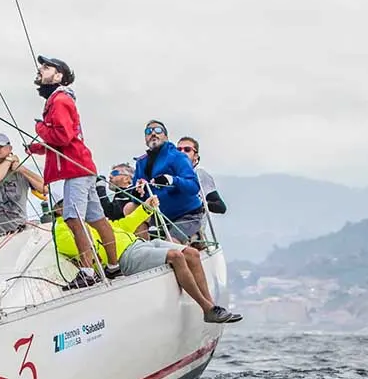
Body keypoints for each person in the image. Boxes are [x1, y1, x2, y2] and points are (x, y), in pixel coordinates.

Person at [52, 197, 241, 323]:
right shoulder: (62, 230)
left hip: (139, 244)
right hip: (125, 256)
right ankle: (206, 308)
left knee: (192, 253)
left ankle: (212, 306)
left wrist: (146, 207)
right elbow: (84, 247)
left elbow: (123, 225)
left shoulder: (90, 222)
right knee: (176, 256)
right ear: (61, 211)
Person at [26, 55, 121, 285]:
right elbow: (64, 140)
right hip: (82, 167)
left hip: (75, 171)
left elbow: (62, 135)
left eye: (47, 67)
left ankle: (88, 273)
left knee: (73, 218)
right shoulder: (61, 100)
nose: (41, 70)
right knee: (96, 219)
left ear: (59, 76)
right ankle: (113, 266)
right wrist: (37, 148)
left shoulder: (58, 100)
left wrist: (40, 127)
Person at [133, 120, 205, 243]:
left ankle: (194, 237)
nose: (153, 134)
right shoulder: (141, 163)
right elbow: (136, 198)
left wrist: (171, 180)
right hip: (160, 215)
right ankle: (144, 247)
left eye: (158, 130)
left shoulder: (178, 157)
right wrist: (138, 191)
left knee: (171, 244)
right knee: (130, 207)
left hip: (186, 215)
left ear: (166, 137)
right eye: (149, 131)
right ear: (145, 139)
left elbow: (193, 186)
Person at [0, 133, 44, 236]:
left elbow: (44, 189)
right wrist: (9, 160)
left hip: (20, 232)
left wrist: (21, 169)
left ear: (10, 148)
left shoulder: (20, 170)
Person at [176, 136, 226, 214]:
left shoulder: (199, 174)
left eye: (187, 150)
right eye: (178, 150)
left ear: (196, 156)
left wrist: (198, 204)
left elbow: (220, 207)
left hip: (193, 222)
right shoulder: (168, 175)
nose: (182, 152)